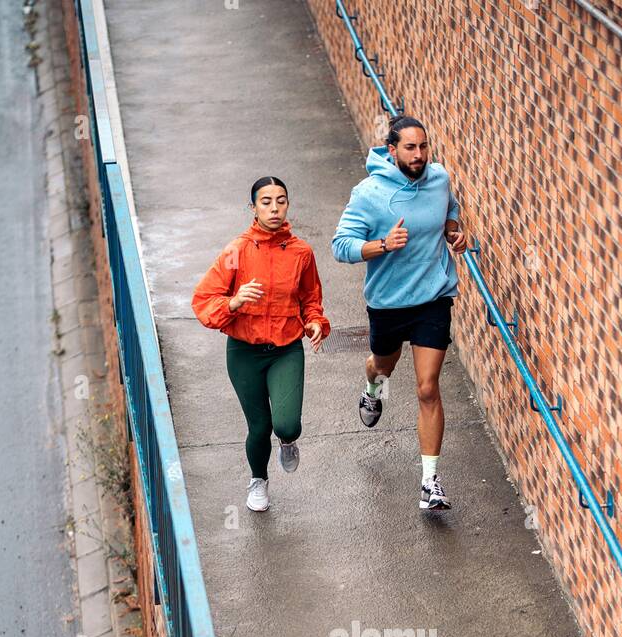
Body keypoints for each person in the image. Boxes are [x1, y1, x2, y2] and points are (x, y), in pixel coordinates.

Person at [332, 116, 468, 511]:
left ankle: (430, 483)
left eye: (423, 146)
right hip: (389, 303)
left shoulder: (438, 178)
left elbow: (450, 207)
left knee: (427, 387)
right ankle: (372, 388)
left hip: (433, 298)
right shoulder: (369, 193)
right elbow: (341, 246)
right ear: (391, 150)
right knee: (382, 366)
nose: (419, 155)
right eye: (410, 148)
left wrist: (454, 229)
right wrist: (382, 244)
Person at [192, 177, 330, 512]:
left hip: (285, 350)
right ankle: (258, 481)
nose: (274, 208)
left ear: (287, 206)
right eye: (266, 201)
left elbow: (311, 299)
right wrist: (234, 303)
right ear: (253, 207)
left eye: (280, 201)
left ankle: (287, 441)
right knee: (259, 426)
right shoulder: (236, 251)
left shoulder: (301, 252)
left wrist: (314, 322)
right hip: (244, 352)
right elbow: (203, 301)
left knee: (286, 424)